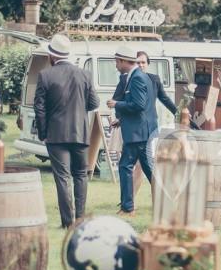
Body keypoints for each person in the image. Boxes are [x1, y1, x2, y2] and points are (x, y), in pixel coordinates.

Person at [32, 33, 99, 229]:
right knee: (80, 175)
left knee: (62, 177)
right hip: (80, 133)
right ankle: (80, 219)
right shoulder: (85, 74)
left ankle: (68, 222)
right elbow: (94, 103)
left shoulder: (45, 75)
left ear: (52, 55)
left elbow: (40, 109)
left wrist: (43, 133)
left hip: (56, 134)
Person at [110, 47, 157, 215]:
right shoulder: (139, 76)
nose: (115, 65)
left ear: (123, 61)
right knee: (151, 171)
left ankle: (128, 208)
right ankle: (170, 203)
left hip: (139, 134)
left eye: (117, 61)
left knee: (125, 166)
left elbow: (139, 105)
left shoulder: (136, 78)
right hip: (142, 132)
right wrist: (121, 119)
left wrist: (117, 104)